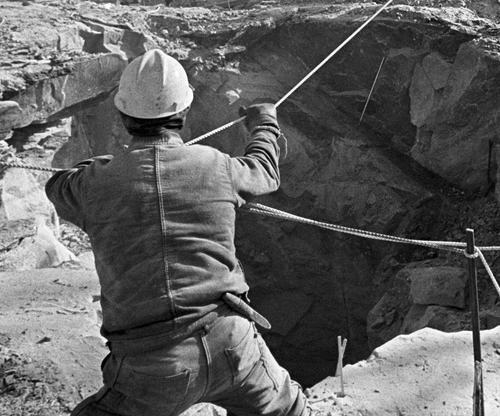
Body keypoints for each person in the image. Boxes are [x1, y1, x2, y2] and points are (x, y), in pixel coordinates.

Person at [45, 49, 309, 416]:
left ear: (123, 117)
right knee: (288, 410)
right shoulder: (216, 165)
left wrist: (107, 166)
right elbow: (264, 169)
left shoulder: (94, 184)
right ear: (183, 114)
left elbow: (58, 186)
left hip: (154, 364)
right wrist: (264, 122)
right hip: (233, 342)